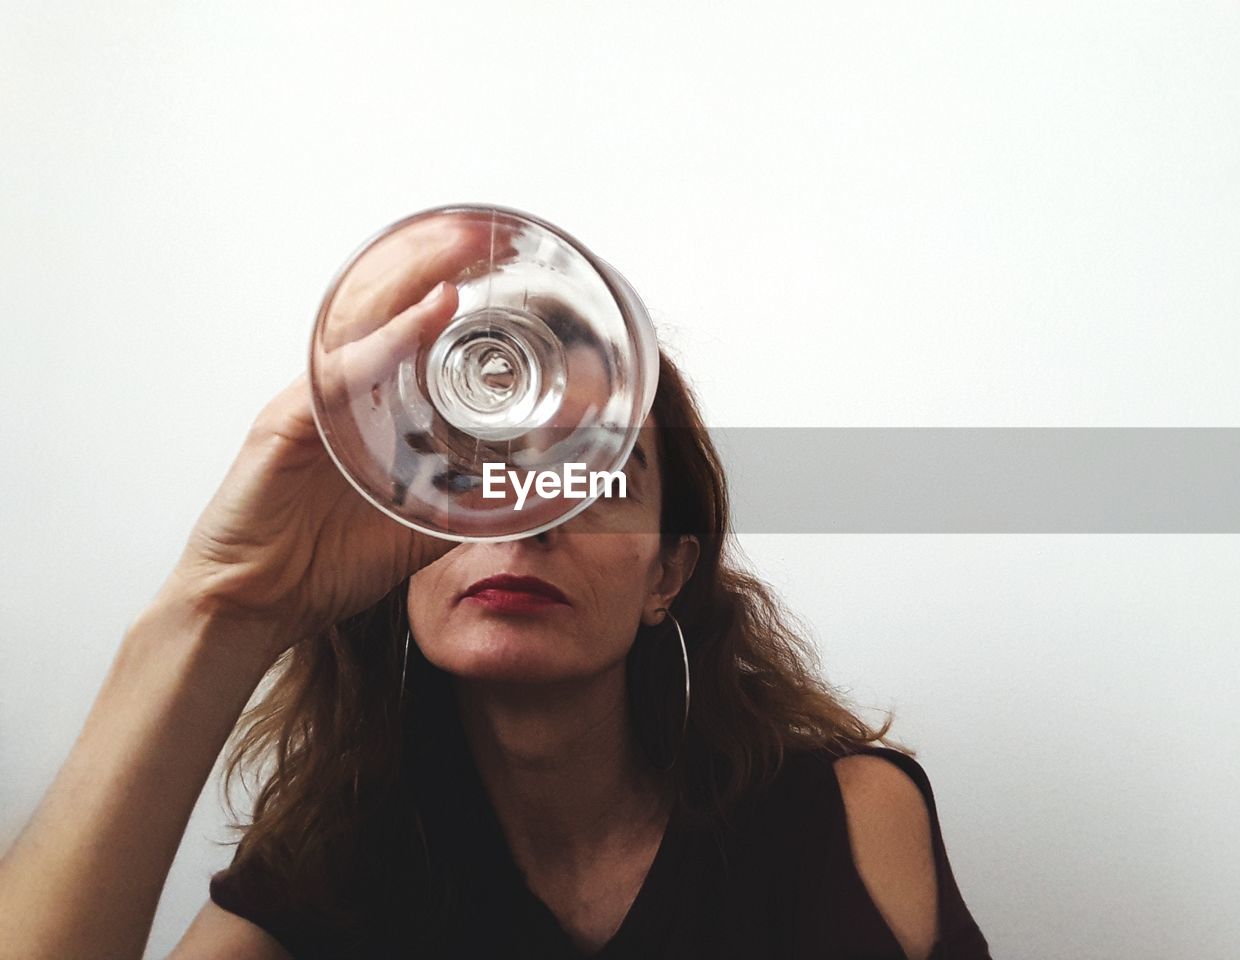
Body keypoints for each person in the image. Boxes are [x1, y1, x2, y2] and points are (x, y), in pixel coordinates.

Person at [0, 276, 992, 960]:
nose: (526, 524)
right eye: (469, 473)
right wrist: (218, 611)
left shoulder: (841, 821)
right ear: (395, 542)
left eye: (591, 479)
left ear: (667, 575)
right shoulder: (331, 870)